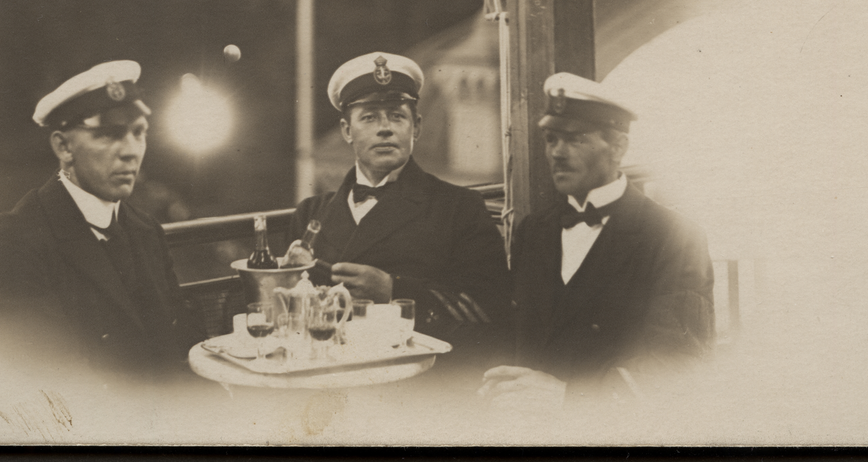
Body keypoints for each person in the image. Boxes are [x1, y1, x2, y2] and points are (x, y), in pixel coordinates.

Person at [480, 72, 715, 410]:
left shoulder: (674, 236)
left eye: (575, 139)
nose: (557, 153)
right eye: (551, 139)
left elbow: (678, 362)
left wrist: (570, 398)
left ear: (618, 147)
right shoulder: (534, 230)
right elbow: (519, 337)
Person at [0, 61, 203, 378]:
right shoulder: (13, 245)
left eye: (139, 133)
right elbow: (41, 388)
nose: (131, 151)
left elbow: (178, 349)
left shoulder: (147, 231)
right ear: (64, 147)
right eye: (109, 134)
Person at [290, 52, 511, 362]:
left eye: (396, 116)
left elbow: (490, 310)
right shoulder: (311, 213)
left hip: (418, 373)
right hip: (327, 371)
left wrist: (393, 290)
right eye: (369, 117)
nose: (385, 128)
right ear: (347, 130)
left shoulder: (459, 208)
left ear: (415, 127)